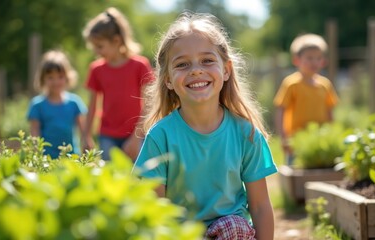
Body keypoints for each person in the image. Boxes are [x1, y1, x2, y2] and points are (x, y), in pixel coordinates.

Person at [132, 12, 277, 240]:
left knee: (234, 226)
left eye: (207, 60)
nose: (196, 70)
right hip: (181, 233)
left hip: (231, 232)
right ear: (168, 79)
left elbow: (260, 206)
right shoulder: (160, 136)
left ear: (226, 70)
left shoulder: (246, 134)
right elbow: (154, 209)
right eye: (182, 64)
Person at [82, 7, 154, 161]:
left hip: (136, 134)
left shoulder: (140, 65)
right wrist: (86, 135)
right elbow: (92, 106)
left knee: (137, 179)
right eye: (94, 46)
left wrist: (136, 138)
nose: (96, 51)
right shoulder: (96, 69)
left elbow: (149, 104)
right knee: (111, 180)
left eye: (100, 46)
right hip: (107, 135)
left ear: (116, 40)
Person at [273, 33, 339, 165]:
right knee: (295, 169)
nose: (314, 62)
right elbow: (281, 110)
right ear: (297, 60)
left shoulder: (325, 84)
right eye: (309, 58)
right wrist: (283, 138)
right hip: (296, 140)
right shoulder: (291, 84)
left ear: (323, 61)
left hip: (320, 139)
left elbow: (330, 111)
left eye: (318, 58)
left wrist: (332, 134)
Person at [27, 50, 87, 159]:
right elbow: (34, 133)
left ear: (67, 77)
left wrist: (87, 146)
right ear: (43, 78)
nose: (56, 82)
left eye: (60, 77)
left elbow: (83, 130)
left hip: (72, 157)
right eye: (50, 77)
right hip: (47, 159)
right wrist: (35, 154)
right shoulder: (37, 105)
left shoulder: (74, 103)